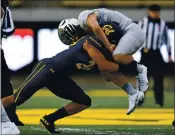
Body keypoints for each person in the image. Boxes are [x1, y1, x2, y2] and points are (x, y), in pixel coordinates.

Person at [2, 31, 144, 133]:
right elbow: (106, 67)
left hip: (59, 77)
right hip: (47, 68)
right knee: (18, 98)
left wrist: (116, 67)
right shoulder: (90, 43)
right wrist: (127, 66)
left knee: (84, 101)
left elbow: (107, 74)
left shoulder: (101, 52)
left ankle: (49, 119)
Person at [77, 8, 148, 92]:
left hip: (131, 31)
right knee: (108, 71)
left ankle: (140, 70)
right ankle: (133, 92)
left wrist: (109, 46)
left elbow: (96, 28)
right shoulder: (91, 36)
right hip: (123, 35)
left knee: (117, 56)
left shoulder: (83, 18)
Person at [138, 4, 171, 106]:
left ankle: (159, 102)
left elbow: (167, 40)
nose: (155, 14)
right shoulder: (143, 22)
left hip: (157, 54)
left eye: (157, 12)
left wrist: (169, 53)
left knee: (159, 80)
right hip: (145, 54)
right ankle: (139, 101)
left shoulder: (162, 24)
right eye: (153, 12)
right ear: (149, 12)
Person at [1, 0, 24, 126]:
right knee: (5, 87)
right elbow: (9, 30)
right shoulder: (3, 8)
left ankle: (10, 117)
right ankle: (11, 118)